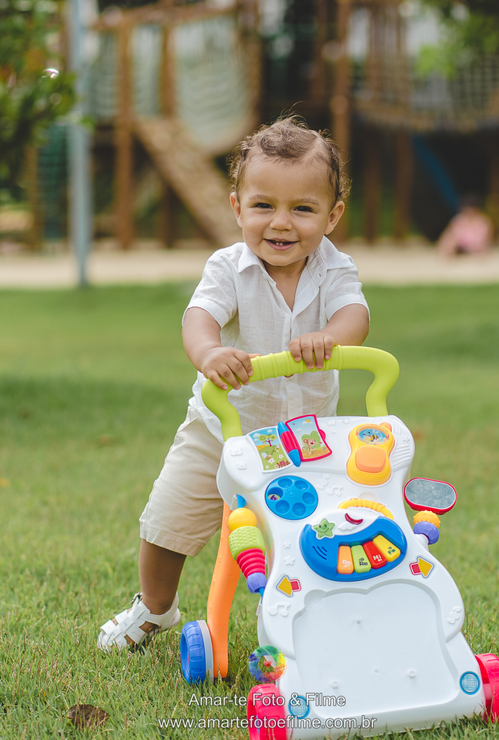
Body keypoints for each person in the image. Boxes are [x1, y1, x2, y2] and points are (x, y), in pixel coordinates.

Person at [97, 117, 371, 651]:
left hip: (304, 438)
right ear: (237, 208)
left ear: (332, 216)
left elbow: (355, 315)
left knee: (322, 533)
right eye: (264, 206)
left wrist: (328, 339)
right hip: (221, 428)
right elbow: (198, 316)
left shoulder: (336, 269)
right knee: (165, 518)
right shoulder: (229, 267)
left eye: (303, 209)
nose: (281, 224)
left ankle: (323, 613)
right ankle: (155, 607)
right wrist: (210, 352)